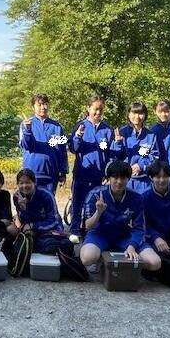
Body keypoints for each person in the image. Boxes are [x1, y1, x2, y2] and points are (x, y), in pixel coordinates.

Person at [79, 161, 161, 273]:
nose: (119, 182)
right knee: (87, 258)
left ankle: (127, 266)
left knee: (155, 263)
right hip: (100, 234)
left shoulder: (136, 198)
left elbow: (139, 227)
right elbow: (88, 226)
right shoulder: (95, 194)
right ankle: (103, 260)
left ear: (128, 179)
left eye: (123, 178)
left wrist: (132, 246)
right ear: (109, 178)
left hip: (124, 235)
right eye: (115, 177)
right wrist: (98, 212)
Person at [68, 96, 121, 242]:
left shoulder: (107, 129)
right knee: (78, 203)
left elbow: (112, 154)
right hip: (82, 174)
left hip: (100, 176)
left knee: (96, 204)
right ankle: (74, 230)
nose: (98, 112)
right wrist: (77, 137)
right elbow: (73, 148)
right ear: (88, 108)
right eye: (95, 109)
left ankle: (91, 230)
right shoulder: (80, 126)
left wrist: (108, 173)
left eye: (100, 109)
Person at [19, 93, 68, 195]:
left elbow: (62, 151)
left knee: (48, 201)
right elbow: (26, 146)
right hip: (31, 173)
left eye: (45, 104)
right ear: (33, 107)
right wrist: (28, 130)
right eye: (39, 105)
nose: (43, 107)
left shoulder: (57, 126)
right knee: (30, 201)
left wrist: (63, 171)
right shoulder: (27, 123)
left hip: (51, 173)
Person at [12, 169, 69, 254]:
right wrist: (23, 208)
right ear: (17, 184)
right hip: (31, 229)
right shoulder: (17, 197)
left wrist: (33, 225)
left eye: (28, 182)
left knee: (47, 245)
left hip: (50, 228)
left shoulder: (46, 195)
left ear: (35, 182)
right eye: (21, 183)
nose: (24, 186)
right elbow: (23, 221)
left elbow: (54, 221)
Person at [111, 102, 159, 194]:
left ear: (145, 115)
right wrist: (117, 143)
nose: (137, 117)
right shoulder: (121, 133)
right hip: (124, 181)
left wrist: (141, 166)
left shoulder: (150, 135)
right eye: (134, 113)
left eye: (140, 113)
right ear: (128, 114)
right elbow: (114, 156)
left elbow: (154, 156)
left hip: (144, 182)